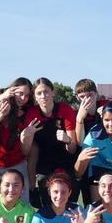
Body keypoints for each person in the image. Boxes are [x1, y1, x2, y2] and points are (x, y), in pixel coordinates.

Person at [21, 78, 78, 208]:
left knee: (67, 202)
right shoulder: (32, 113)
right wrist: (26, 137)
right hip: (43, 162)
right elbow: (27, 151)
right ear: (34, 96)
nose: (43, 96)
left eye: (46, 92)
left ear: (53, 92)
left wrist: (67, 139)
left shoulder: (65, 110)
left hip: (66, 160)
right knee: (47, 204)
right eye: (39, 93)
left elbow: (72, 148)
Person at [0, 78, 33, 201]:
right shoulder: (0, 100)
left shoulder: (26, 112)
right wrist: (1, 99)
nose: (23, 98)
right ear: (12, 91)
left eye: (27, 95)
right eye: (20, 93)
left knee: (23, 201)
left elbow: (26, 149)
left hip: (16, 162)